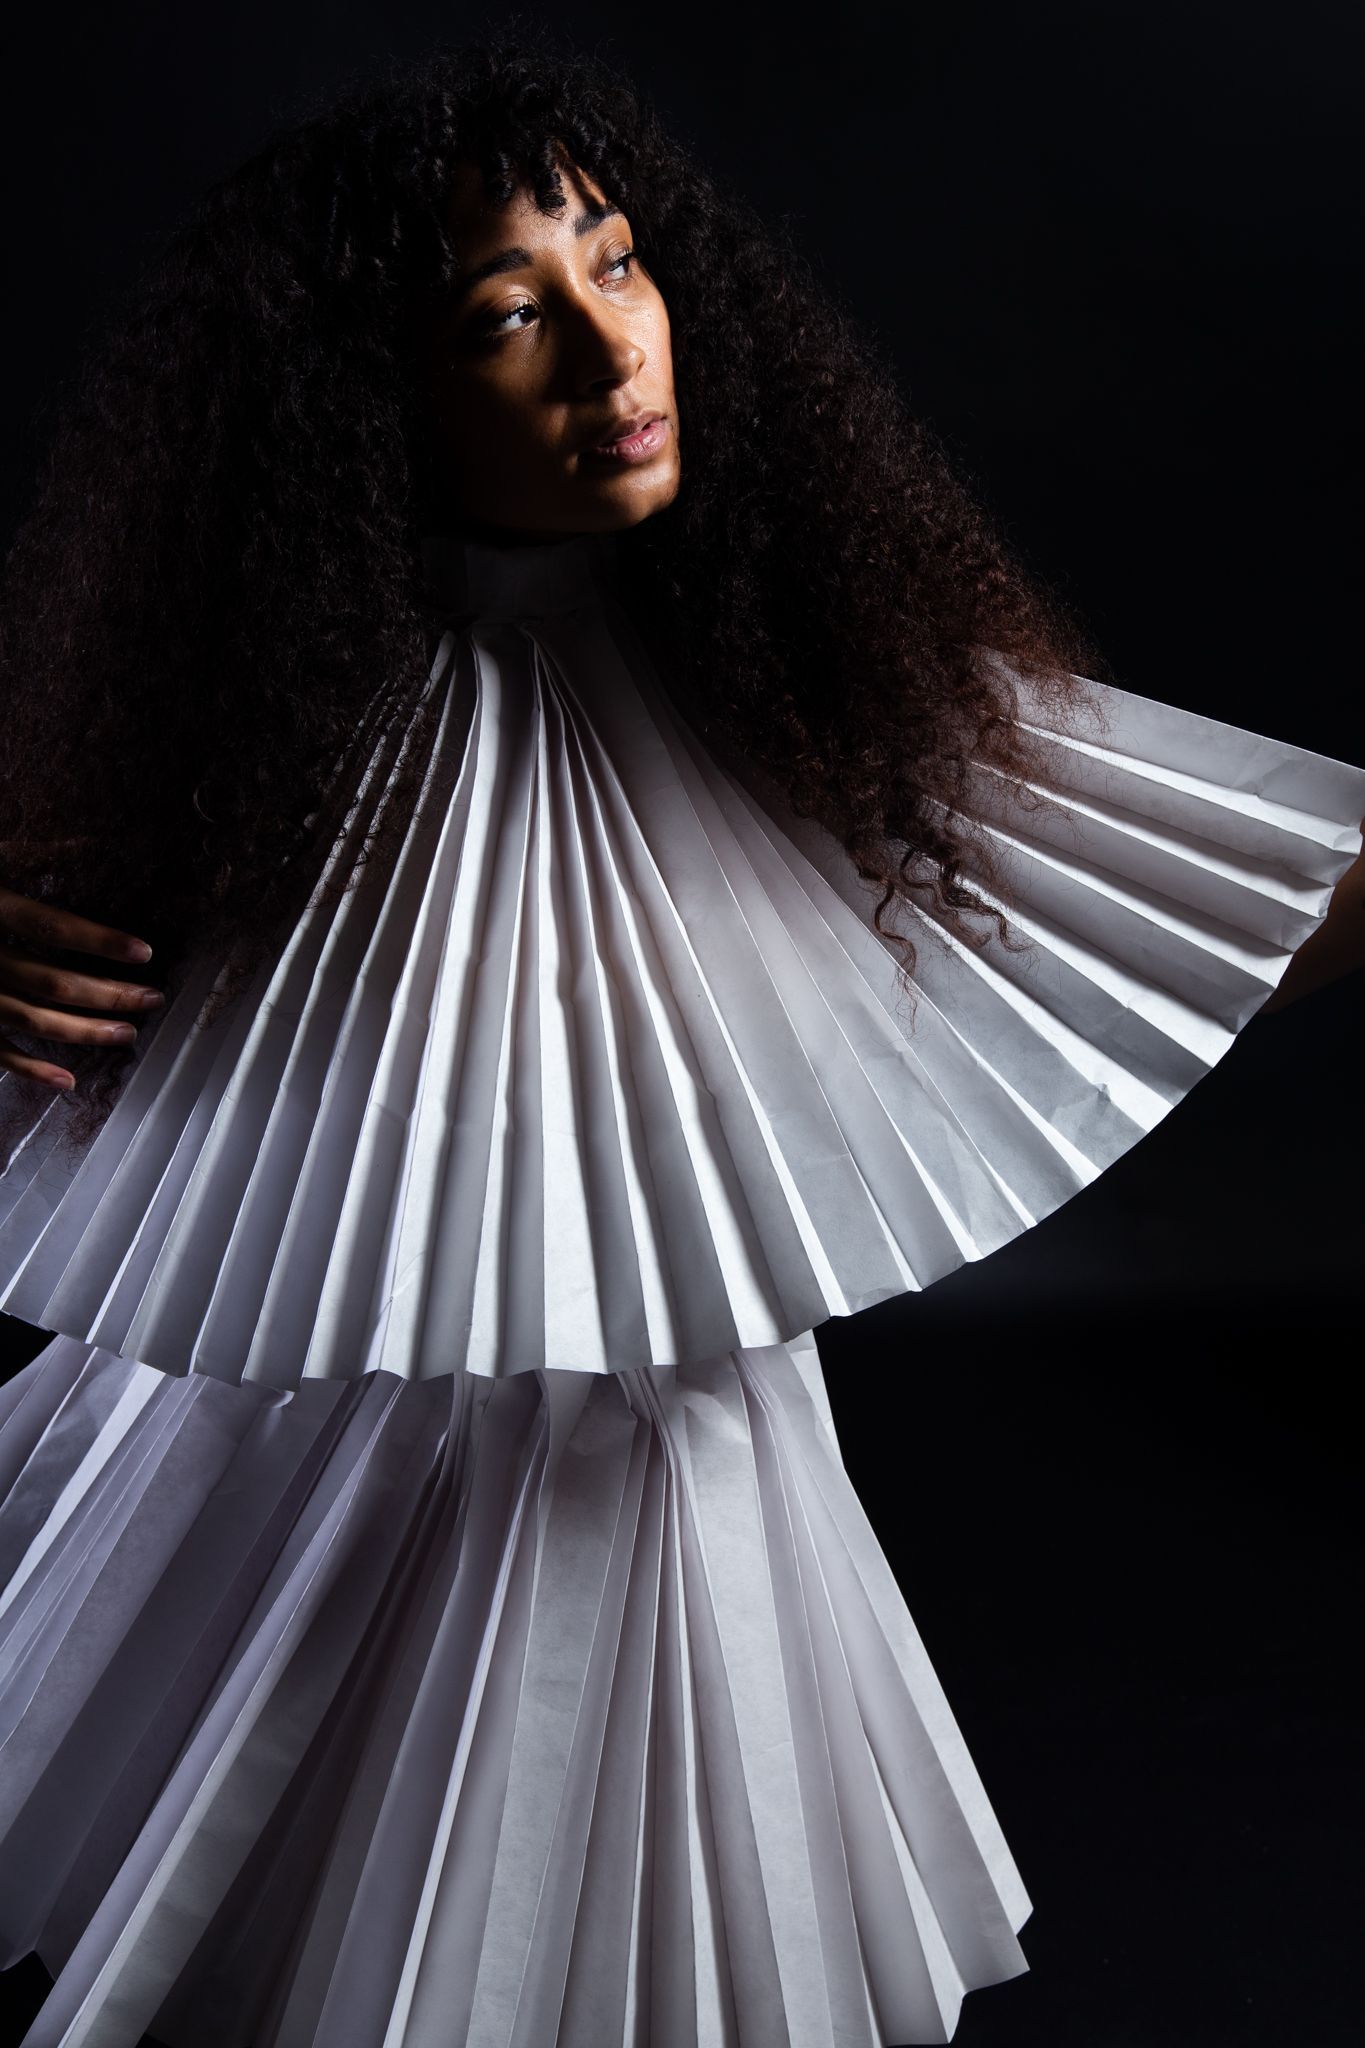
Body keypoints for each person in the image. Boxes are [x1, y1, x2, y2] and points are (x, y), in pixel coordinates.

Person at [0, 29, 1361, 2048]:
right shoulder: (243, 728)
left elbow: (1213, 880)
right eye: (501, 315)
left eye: (616, 265)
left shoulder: (806, 685)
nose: (605, 350)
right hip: (314, 1445)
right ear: (360, 394)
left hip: (672, 1464)